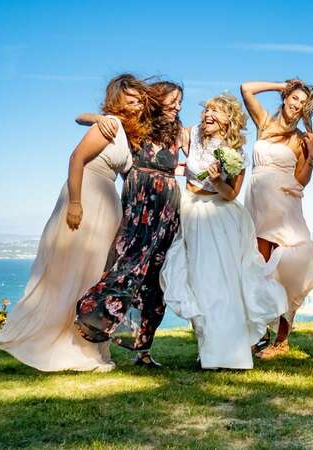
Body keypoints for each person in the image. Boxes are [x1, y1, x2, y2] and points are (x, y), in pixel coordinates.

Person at [0, 74, 151, 372]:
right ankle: (61, 341)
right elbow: (76, 158)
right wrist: (75, 203)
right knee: (73, 269)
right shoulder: (111, 124)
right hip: (87, 197)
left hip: (107, 202)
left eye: (140, 100)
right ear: (118, 100)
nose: (137, 105)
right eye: (131, 99)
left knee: (92, 274)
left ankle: (85, 343)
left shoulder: (124, 131)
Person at [159, 93, 287, 369]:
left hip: (220, 217)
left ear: (229, 118)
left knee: (223, 284)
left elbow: (231, 194)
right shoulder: (190, 135)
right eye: (206, 109)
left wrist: (217, 180)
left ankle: (229, 352)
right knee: (198, 281)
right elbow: (161, 127)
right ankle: (209, 349)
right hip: (192, 212)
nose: (208, 114)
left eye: (215, 111)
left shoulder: (237, 151)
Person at [74, 81, 184, 368]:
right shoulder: (138, 124)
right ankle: (88, 319)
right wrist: (99, 119)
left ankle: (143, 350)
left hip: (168, 210)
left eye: (180, 102)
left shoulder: (179, 132)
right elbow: (82, 117)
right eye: (172, 102)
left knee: (155, 281)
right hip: (140, 206)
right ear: (157, 101)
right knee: (126, 267)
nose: (177, 107)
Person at [240, 79, 313, 359]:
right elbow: (245, 88)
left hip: (284, 205)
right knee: (256, 269)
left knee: (288, 269)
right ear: (286, 98)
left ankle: (282, 340)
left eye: (302, 104)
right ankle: (256, 334)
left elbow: (301, 180)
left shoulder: (301, 139)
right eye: (294, 99)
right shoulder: (264, 123)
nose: (296, 106)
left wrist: (311, 156)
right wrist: (280, 85)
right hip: (256, 205)